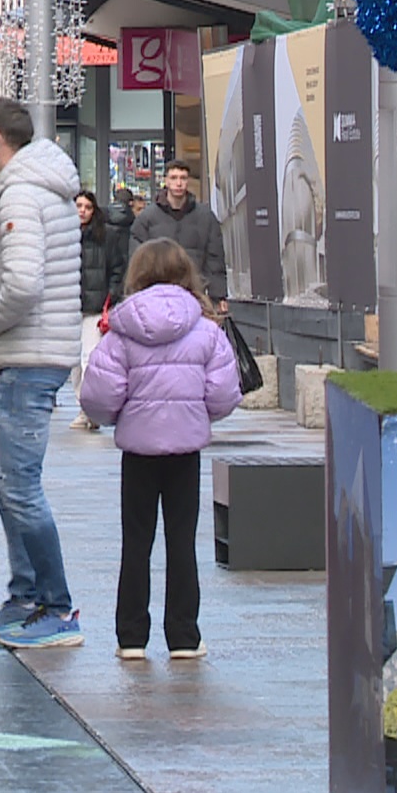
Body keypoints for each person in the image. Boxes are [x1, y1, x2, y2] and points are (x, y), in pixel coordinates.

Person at [79, 238, 241, 661]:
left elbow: (98, 395)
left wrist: (124, 415)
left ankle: (131, 636)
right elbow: (224, 394)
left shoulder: (121, 330)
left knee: (136, 542)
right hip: (185, 450)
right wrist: (195, 414)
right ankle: (184, 636)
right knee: (182, 541)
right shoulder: (206, 330)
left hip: (138, 450)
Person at [0, 96, 86, 650]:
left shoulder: (20, 191)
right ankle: (26, 596)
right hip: (38, 354)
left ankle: (56, 608)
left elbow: (22, 283)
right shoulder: (46, 187)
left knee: (18, 483)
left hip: (29, 356)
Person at [130, 160, 229, 314]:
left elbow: (215, 259)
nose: (179, 183)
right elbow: (137, 259)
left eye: (183, 178)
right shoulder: (147, 218)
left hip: (195, 295)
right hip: (157, 297)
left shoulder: (206, 217)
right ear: (166, 181)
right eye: (174, 178)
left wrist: (218, 295)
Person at [71, 191, 128, 431]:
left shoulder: (106, 237)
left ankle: (89, 409)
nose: (82, 210)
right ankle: (83, 408)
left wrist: (111, 295)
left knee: (89, 359)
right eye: (78, 206)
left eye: (87, 206)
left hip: (95, 308)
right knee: (74, 362)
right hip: (69, 307)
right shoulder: (64, 237)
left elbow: (118, 267)